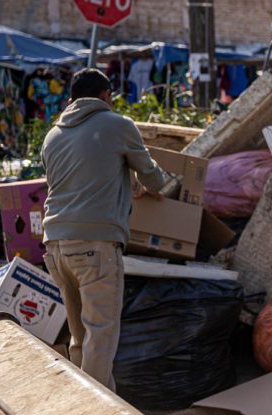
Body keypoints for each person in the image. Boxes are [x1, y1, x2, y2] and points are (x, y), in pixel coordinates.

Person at [41, 68, 169, 391]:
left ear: (71, 100)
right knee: (100, 336)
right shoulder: (117, 125)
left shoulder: (52, 136)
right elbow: (155, 178)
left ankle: (89, 411)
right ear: (106, 96)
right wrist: (150, 183)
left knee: (80, 338)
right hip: (95, 247)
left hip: (55, 247)